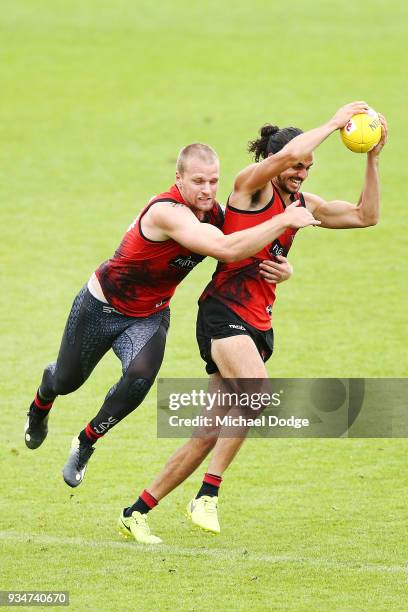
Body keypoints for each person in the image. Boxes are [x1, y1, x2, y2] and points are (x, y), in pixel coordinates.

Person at [118, 103, 388, 544]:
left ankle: (136, 511)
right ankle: (208, 494)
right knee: (258, 392)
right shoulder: (248, 188)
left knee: (206, 433)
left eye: (309, 168)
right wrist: (334, 124)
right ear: (276, 162)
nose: (302, 174)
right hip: (223, 313)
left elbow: (365, 215)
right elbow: (282, 161)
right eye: (297, 166)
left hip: (258, 321)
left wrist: (373, 157)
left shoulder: (301, 204)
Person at [25, 134, 326, 489]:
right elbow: (228, 249)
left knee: (139, 377)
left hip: (150, 314)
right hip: (101, 305)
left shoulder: (215, 215)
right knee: (67, 380)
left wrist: (284, 267)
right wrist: (285, 219)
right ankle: (44, 397)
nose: (207, 189)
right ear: (179, 179)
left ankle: (86, 441)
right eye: (198, 181)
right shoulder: (167, 212)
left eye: (214, 181)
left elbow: (248, 247)